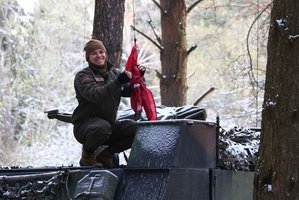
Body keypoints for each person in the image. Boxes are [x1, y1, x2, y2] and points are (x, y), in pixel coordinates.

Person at [72, 38, 143, 168]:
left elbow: (126, 91)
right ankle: (87, 156)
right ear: (88, 58)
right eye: (94, 53)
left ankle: (106, 154)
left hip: (109, 126)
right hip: (85, 127)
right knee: (101, 128)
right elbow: (97, 95)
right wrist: (119, 82)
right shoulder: (83, 76)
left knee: (137, 129)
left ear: (105, 53)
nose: (99, 55)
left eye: (101, 52)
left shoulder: (114, 73)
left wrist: (138, 79)